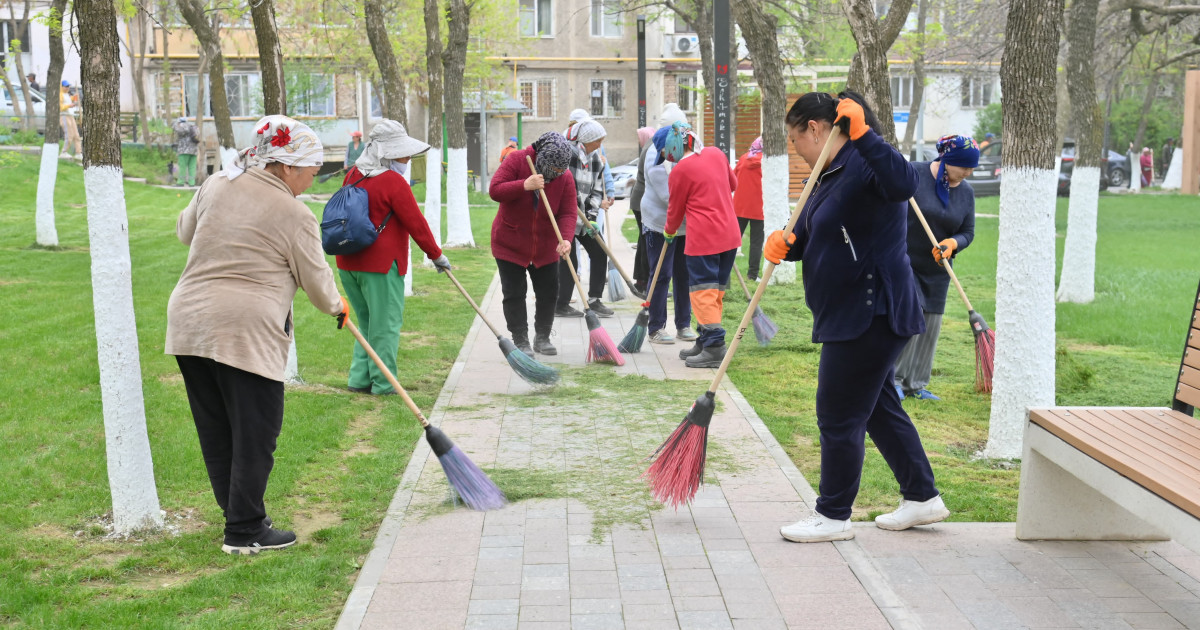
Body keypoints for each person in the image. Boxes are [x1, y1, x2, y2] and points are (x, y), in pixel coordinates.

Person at [765, 92, 946, 543]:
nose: (795, 149)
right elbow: (809, 236)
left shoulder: (865, 161)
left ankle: (833, 515)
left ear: (816, 128)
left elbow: (905, 183)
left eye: (794, 139)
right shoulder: (828, 175)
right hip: (850, 312)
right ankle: (922, 497)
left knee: (838, 414)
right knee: (879, 407)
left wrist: (865, 134)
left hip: (872, 310)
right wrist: (785, 245)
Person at [166, 115, 348, 554]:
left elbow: (183, 231)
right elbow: (317, 280)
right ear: (286, 166)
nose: (310, 180)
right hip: (244, 329)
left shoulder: (217, 183)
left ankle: (242, 520)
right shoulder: (294, 212)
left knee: (218, 429)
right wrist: (338, 307)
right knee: (256, 432)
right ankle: (245, 530)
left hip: (189, 322)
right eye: (309, 171)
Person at [338, 120, 449, 395]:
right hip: (381, 266)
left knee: (366, 323)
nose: (407, 158)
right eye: (403, 153)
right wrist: (437, 256)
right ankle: (384, 383)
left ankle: (359, 379)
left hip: (348, 264)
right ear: (387, 152)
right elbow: (417, 224)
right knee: (385, 326)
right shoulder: (393, 182)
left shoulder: (353, 174)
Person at [894, 134, 978, 401]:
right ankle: (893, 380)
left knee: (931, 326)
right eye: (963, 166)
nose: (967, 173)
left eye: (971, 168)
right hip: (904, 260)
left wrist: (953, 243)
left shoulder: (965, 192)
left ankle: (916, 384)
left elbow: (968, 231)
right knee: (912, 317)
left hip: (938, 266)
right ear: (946, 159)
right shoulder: (914, 175)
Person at [488, 131, 577, 356]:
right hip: (510, 242)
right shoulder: (517, 160)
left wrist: (566, 238)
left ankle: (543, 337)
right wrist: (524, 185)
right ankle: (520, 339)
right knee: (514, 292)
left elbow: (568, 212)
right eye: (552, 172)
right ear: (542, 159)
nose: (555, 176)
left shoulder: (564, 177)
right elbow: (495, 190)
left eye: (559, 172)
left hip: (546, 245)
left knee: (549, 292)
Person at [662, 122, 740, 368]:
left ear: (673, 148)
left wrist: (669, 231)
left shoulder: (679, 171)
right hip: (729, 235)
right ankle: (705, 339)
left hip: (704, 240)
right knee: (715, 291)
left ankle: (715, 348)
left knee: (702, 293)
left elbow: (675, 210)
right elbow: (734, 185)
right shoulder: (716, 153)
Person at [641, 124, 695, 346]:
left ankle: (684, 324)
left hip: (687, 224)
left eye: (668, 152)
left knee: (685, 274)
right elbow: (670, 198)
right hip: (659, 222)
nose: (665, 155)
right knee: (661, 274)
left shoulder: (693, 152)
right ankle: (656, 327)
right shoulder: (656, 158)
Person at [557, 119, 614, 318]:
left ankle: (595, 300)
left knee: (599, 251)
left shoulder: (596, 158)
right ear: (587, 139)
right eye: (598, 140)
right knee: (568, 258)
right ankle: (561, 304)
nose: (600, 145)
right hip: (564, 217)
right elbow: (558, 186)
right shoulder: (568, 155)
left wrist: (591, 216)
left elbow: (597, 190)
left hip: (583, 218)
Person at [630, 125, 657, 296]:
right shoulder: (651, 149)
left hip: (639, 202)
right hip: (642, 203)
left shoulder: (648, 147)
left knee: (643, 241)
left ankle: (642, 280)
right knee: (647, 242)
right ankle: (646, 281)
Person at [734, 137, 765, 281]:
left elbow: (733, 178)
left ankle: (724, 270)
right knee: (756, 243)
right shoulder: (766, 162)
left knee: (732, 241)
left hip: (740, 207)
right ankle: (752, 275)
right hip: (759, 208)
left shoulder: (743, 158)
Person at [173, 116, 199, 187]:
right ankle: (192, 183)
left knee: (182, 166)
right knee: (192, 167)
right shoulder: (192, 126)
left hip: (184, 150)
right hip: (194, 150)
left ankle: (180, 182)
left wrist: (175, 123)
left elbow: (176, 129)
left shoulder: (181, 126)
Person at [58, 80, 82, 158]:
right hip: (64, 116)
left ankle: (78, 153)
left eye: (68, 86)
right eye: (66, 86)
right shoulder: (60, 95)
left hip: (70, 115)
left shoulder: (66, 94)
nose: (67, 88)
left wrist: (74, 97)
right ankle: (63, 152)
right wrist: (70, 105)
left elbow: (69, 100)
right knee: (69, 135)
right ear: (61, 87)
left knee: (76, 135)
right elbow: (61, 107)